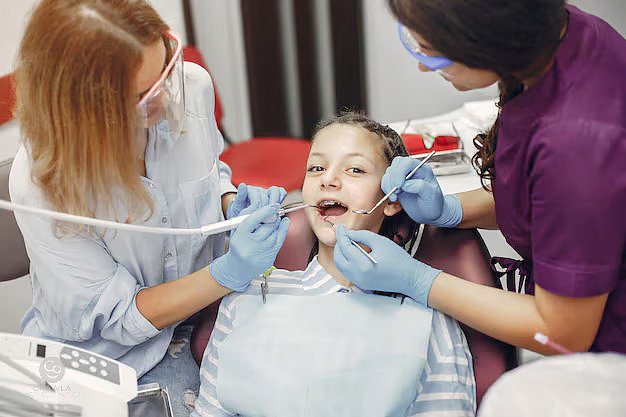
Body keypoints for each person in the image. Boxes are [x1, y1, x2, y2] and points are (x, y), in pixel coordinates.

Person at [10, 1, 288, 415]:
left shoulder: (190, 86)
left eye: (164, 70)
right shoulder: (44, 185)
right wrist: (227, 274)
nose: (162, 101)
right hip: (112, 359)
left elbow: (210, 171)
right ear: (81, 112)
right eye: (139, 98)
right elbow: (120, 317)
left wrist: (231, 203)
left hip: (203, 318)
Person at [334, 0, 626, 355]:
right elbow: (545, 200)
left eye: (433, 51)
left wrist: (418, 281)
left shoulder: (578, 149)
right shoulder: (561, 33)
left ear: (488, 40)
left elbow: (562, 334)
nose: (423, 67)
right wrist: (449, 210)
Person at [193, 112, 476, 417]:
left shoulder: (427, 322)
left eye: (355, 169)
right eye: (316, 167)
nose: (328, 179)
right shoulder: (247, 298)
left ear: (393, 199)